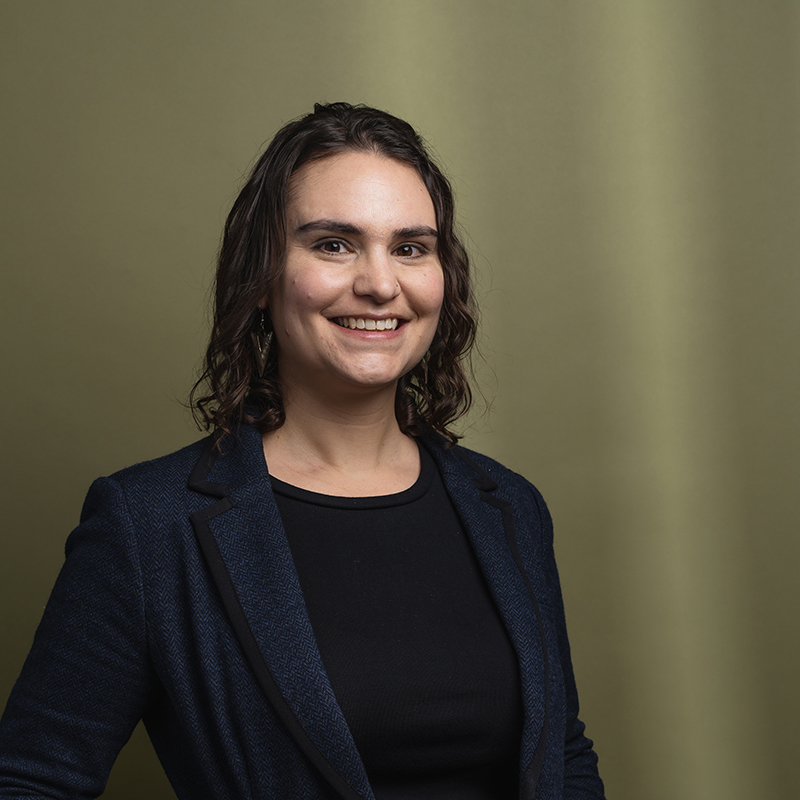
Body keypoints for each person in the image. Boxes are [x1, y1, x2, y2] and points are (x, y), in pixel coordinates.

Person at [0, 102, 604, 799]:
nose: (381, 283)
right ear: (261, 278)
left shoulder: (511, 507)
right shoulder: (147, 528)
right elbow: (30, 781)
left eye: (411, 247)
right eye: (333, 244)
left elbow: (563, 755)